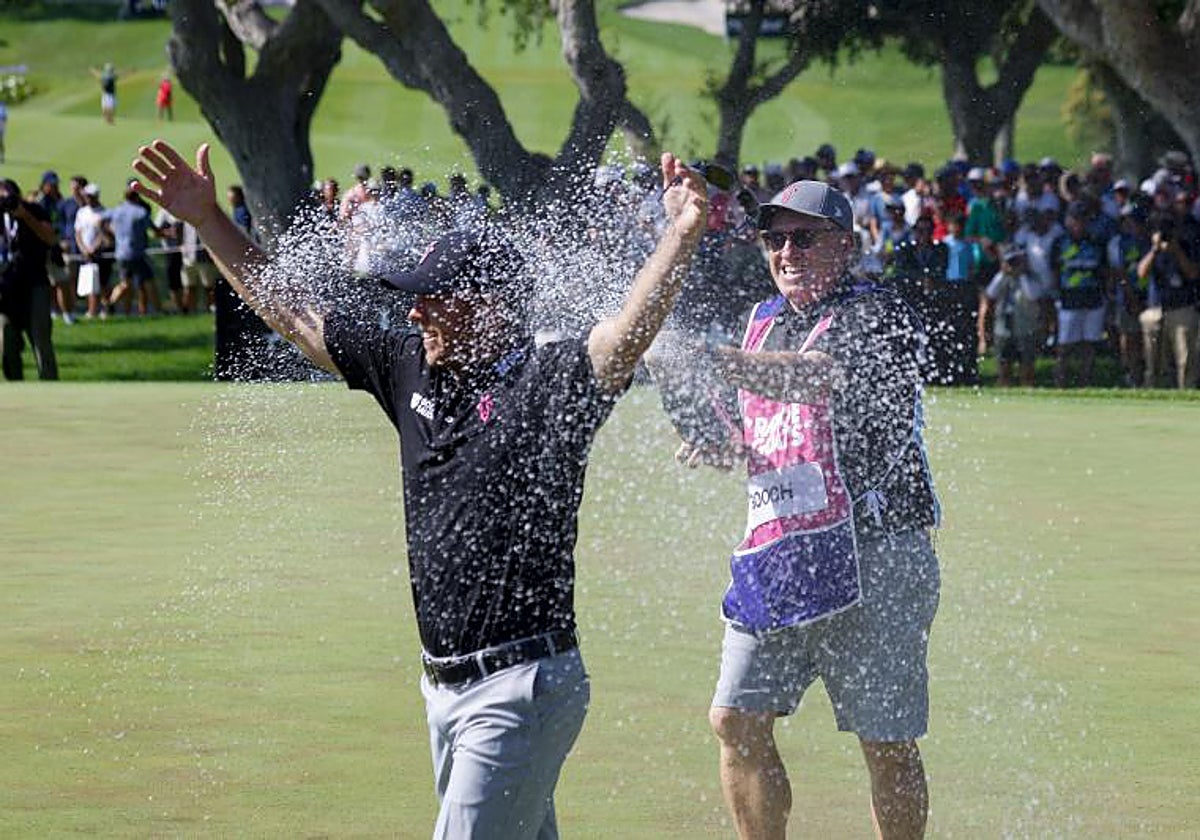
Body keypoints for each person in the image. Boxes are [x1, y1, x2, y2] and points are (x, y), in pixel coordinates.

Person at [130, 137, 707, 838]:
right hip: (443, 691)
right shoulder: (410, 367)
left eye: (432, 301)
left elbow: (623, 338)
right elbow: (297, 315)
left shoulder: (547, 382)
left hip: (519, 689)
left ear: (491, 308)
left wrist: (679, 235)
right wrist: (207, 219)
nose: (413, 314)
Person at [675, 180, 940, 839]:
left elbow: (813, 375)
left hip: (876, 553)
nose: (786, 252)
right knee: (735, 719)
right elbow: (763, 424)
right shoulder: (762, 318)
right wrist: (721, 440)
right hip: (783, 553)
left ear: (845, 245)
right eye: (774, 239)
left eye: (804, 237)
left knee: (884, 741)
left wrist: (717, 362)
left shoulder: (877, 312)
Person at [1, 178, 60, 380]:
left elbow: (50, 238)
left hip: (35, 283)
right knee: (6, 338)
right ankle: (15, 387)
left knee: (40, 337)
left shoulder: (34, 210)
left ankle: (49, 385)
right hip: (6, 288)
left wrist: (25, 216)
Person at [978, 247, 1046, 386]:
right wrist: (1003, 273)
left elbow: (1032, 295)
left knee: (1027, 367)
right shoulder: (1001, 278)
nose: (1012, 265)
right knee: (1004, 367)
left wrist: (1021, 274)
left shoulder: (1031, 278)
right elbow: (990, 294)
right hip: (1003, 327)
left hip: (1025, 327)